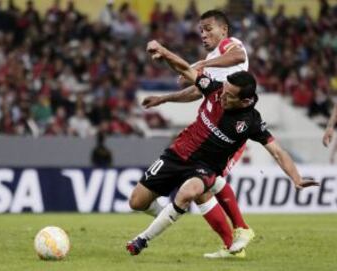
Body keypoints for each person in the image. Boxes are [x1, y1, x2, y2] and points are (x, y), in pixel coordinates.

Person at [126, 40, 319, 257]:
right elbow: (186, 69)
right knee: (137, 201)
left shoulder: (251, 122)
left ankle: (142, 239)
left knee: (189, 192)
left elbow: (278, 152)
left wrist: (296, 178)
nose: (222, 97)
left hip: (205, 167)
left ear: (245, 101)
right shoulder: (216, 90)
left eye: (229, 96)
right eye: (224, 91)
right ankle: (168, 215)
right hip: (178, 153)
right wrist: (163, 51)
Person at [141, 10, 253, 258]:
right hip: (212, 131)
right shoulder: (213, 60)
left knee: (209, 179)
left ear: (224, 29)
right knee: (202, 186)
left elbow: (238, 56)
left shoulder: (228, 46)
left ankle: (242, 230)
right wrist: (164, 99)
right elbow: (196, 92)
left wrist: (204, 64)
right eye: (201, 29)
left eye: (209, 28)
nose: (204, 33)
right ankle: (231, 246)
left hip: (231, 133)